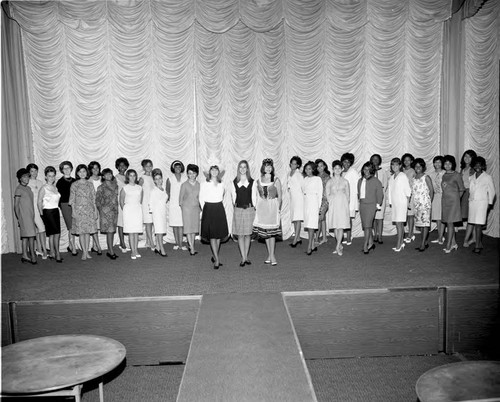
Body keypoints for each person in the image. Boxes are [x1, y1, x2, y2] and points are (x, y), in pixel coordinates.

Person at [253, 158, 282, 265]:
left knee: (272, 233)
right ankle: (270, 255)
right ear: (263, 167)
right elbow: (257, 196)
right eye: (266, 166)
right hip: (262, 208)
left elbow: (280, 196)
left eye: (270, 166)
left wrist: (278, 209)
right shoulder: (259, 180)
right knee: (266, 233)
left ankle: (272, 256)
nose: (268, 168)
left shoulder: (276, 180)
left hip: (272, 207)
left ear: (272, 167)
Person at [464, 156, 496, 253]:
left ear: (483, 166)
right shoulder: (471, 177)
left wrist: (489, 204)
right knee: (473, 223)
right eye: (476, 165)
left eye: (480, 165)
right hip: (473, 203)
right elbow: (471, 191)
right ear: (473, 166)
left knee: (478, 225)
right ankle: (479, 243)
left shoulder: (487, 177)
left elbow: (492, 192)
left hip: (482, 203)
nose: (477, 166)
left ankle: (478, 245)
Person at [200, 165, 228, 269]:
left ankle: (215, 255)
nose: (214, 171)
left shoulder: (222, 184)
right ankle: (217, 259)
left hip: (219, 208)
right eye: (212, 170)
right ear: (209, 172)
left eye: (216, 170)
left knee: (219, 234)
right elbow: (201, 197)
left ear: (218, 172)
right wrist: (205, 209)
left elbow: (222, 196)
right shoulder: (204, 184)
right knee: (212, 235)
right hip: (209, 208)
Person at [69, 164, 98, 261]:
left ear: (87, 172)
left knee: (88, 232)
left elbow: (93, 198)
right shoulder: (74, 185)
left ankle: (87, 251)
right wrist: (73, 211)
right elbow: (72, 200)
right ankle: (84, 252)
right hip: (79, 210)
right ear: (77, 173)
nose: (82, 173)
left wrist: (95, 211)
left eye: (84, 171)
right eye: (80, 171)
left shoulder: (90, 184)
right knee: (81, 232)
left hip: (89, 210)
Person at [231, 160, 256, 266]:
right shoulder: (234, 182)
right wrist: (237, 208)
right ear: (238, 169)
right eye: (240, 167)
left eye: (244, 167)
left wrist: (255, 210)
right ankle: (243, 257)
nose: (242, 169)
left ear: (247, 169)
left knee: (248, 235)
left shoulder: (252, 181)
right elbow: (233, 198)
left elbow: (254, 198)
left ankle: (246, 256)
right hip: (239, 210)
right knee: (240, 235)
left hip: (249, 210)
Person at [37, 166, 62, 262]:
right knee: (54, 233)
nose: (51, 178)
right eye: (49, 176)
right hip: (48, 212)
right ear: (46, 177)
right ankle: (56, 253)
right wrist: (42, 214)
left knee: (55, 234)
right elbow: (39, 201)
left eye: (53, 176)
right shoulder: (44, 188)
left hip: (55, 211)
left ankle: (53, 252)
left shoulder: (55, 187)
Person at [441, 155, 465, 253]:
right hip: (445, 201)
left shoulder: (456, 175)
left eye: (449, 163)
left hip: (453, 202)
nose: (447, 165)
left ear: (453, 164)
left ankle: (448, 245)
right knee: (448, 222)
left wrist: (456, 200)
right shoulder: (444, 175)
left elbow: (462, 189)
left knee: (450, 223)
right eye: (445, 163)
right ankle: (454, 243)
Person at [358, 161, 383, 254]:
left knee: (368, 226)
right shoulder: (360, 181)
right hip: (362, 205)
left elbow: (380, 194)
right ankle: (371, 243)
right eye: (365, 169)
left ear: (372, 170)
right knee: (365, 226)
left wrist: (378, 204)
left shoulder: (376, 181)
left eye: (369, 169)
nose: (366, 171)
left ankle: (365, 245)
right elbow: (359, 193)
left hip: (371, 205)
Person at [326, 160, 350, 256]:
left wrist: (344, 203)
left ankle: (338, 246)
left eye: (339, 168)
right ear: (332, 169)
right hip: (333, 206)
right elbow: (327, 194)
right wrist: (332, 200)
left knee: (340, 227)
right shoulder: (329, 181)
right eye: (335, 168)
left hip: (342, 206)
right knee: (335, 226)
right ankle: (339, 245)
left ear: (342, 169)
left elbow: (348, 195)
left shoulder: (345, 181)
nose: (337, 170)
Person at [388, 158, 411, 252]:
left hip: (401, 203)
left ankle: (399, 243)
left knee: (399, 223)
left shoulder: (403, 176)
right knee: (398, 224)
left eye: (396, 165)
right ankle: (401, 242)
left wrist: (407, 203)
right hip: (395, 203)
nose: (394, 167)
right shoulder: (392, 177)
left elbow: (408, 191)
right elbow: (390, 191)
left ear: (400, 166)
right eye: (393, 165)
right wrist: (390, 202)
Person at [14, 168, 37, 264]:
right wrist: (19, 217)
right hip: (24, 216)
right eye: (24, 177)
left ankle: (24, 255)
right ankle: (32, 256)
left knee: (25, 237)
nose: (27, 178)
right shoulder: (19, 189)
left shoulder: (28, 188)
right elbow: (16, 205)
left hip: (30, 215)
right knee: (31, 235)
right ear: (20, 178)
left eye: (27, 176)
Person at [95, 168, 119, 260]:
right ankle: (110, 251)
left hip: (114, 211)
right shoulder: (101, 187)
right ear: (103, 176)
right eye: (106, 174)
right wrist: (102, 210)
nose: (109, 176)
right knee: (110, 231)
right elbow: (97, 201)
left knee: (112, 231)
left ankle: (110, 249)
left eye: (110, 174)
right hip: (106, 212)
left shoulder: (115, 185)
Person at [120, 169, 143, 259]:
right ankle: (132, 251)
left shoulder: (140, 188)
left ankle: (136, 250)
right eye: (130, 175)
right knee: (131, 232)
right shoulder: (125, 188)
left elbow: (140, 200)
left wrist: (137, 208)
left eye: (134, 175)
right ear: (127, 177)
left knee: (136, 232)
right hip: (128, 211)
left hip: (137, 210)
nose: (132, 177)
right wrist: (126, 210)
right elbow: (121, 201)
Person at [412, 158, 434, 251]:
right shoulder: (414, 178)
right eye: (416, 166)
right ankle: (424, 242)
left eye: (420, 166)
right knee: (420, 225)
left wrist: (428, 203)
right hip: (417, 205)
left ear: (423, 167)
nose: (418, 168)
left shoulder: (426, 177)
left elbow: (432, 191)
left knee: (425, 224)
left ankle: (422, 244)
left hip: (425, 205)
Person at [302, 161, 323, 255]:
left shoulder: (317, 179)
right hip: (306, 203)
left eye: (309, 169)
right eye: (306, 169)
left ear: (313, 169)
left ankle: (310, 245)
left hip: (314, 203)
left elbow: (320, 193)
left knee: (311, 226)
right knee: (309, 224)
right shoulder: (305, 179)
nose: (307, 170)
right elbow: (303, 191)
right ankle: (313, 246)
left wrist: (318, 207)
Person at [56, 161, 77, 256]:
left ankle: (70, 245)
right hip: (65, 205)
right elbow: (58, 197)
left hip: (75, 205)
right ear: (62, 170)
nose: (67, 170)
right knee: (70, 226)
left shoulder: (75, 181)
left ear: (71, 169)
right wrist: (62, 206)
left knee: (74, 226)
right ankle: (72, 246)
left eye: (68, 168)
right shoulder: (60, 182)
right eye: (64, 168)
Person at [27, 163, 47, 259]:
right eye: (32, 171)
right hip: (32, 208)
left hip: (41, 207)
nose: (34, 173)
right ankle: (44, 251)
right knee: (42, 229)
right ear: (29, 172)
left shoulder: (40, 182)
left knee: (40, 230)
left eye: (35, 171)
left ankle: (39, 249)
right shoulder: (27, 182)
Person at [179, 164, 201, 256]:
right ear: (187, 174)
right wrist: (184, 207)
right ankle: (191, 247)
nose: (191, 175)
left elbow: (201, 197)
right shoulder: (184, 185)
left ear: (196, 174)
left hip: (196, 209)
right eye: (189, 173)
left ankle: (191, 245)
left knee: (193, 229)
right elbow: (180, 199)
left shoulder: (199, 184)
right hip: (187, 209)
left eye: (193, 173)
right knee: (188, 228)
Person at [166, 160, 187, 251]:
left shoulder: (185, 178)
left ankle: (181, 244)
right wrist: (171, 201)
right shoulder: (169, 179)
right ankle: (177, 243)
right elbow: (167, 191)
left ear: (181, 168)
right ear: (173, 168)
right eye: (176, 167)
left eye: (179, 167)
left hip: (183, 204)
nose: (177, 168)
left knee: (181, 224)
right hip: (173, 204)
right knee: (175, 225)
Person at [149, 168, 169, 257]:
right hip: (157, 213)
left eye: (160, 178)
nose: (158, 180)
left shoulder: (163, 189)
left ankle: (157, 247)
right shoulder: (153, 191)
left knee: (161, 230)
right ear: (154, 181)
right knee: (159, 231)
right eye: (156, 179)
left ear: (162, 179)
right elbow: (151, 203)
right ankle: (162, 249)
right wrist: (153, 213)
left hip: (163, 212)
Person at [341, 153, 358, 245]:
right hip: (341, 199)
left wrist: (354, 199)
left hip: (350, 199)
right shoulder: (341, 172)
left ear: (350, 162)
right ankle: (343, 236)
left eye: (348, 162)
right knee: (343, 218)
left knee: (348, 219)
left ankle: (349, 237)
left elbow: (356, 186)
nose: (346, 163)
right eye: (344, 161)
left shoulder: (353, 172)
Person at [370, 154, 388, 244]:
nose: (375, 160)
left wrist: (380, 194)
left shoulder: (383, 171)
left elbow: (385, 184)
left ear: (379, 160)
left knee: (380, 217)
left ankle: (380, 235)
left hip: (380, 196)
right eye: (373, 159)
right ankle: (375, 235)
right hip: (372, 196)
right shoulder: (369, 171)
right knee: (373, 217)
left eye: (377, 159)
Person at [287, 156, 304, 247]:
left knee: (297, 219)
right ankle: (298, 238)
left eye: (295, 164)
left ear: (298, 165)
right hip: (292, 198)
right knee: (294, 219)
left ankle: (295, 240)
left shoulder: (299, 175)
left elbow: (303, 187)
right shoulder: (289, 173)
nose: (293, 165)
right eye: (291, 163)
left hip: (298, 198)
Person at [139, 159, 155, 250]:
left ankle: (148, 242)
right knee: (148, 223)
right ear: (143, 167)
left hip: (153, 203)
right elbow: (138, 190)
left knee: (152, 223)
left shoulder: (153, 177)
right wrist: (140, 203)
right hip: (145, 203)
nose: (149, 167)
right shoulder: (142, 178)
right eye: (146, 166)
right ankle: (151, 242)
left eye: (150, 165)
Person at [429, 156, 445, 244]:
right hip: (435, 197)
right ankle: (440, 236)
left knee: (442, 218)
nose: (437, 164)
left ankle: (441, 237)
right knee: (438, 218)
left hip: (444, 197)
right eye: (435, 162)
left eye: (439, 162)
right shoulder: (431, 174)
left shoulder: (445, 173)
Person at [115, 157, 130, 252]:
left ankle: (127, 241)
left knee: (127, 222)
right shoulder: (115, 178)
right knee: (120, 223)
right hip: (120, 202)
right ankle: (122, 243)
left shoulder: (128, 177)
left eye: (124, 165)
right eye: (120, 165)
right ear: (117, 167)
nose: (122, 167)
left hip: (128, 202)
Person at [88, 161, 103, 255]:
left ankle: (94, 246)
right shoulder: (89, 180)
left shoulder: (102, 178)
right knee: (94, 225)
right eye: (93, 168)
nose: (95, 170)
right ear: (90, 170)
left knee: (98, 227)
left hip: (102, 205)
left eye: (97, 168)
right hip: (93, 205)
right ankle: (98, 246)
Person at [315, 159, 331, 246]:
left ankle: (316, 239)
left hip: (325, 200)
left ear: (324, 166)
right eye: (318, 166)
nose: (320, 168)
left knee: (320, 218)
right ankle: (324, 237)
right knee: (323, 219)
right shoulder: (316, 176)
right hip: (317, 200)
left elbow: (328, 190)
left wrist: (325, 200)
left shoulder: (327, 177)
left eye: (321, 166)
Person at [460, 149, 477, 224]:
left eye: (470, 157)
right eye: (465, 156)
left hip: (469, 192)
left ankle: (474, 235)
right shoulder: (462, 169)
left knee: (471, 215)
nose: (467, 158)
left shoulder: (473, 169)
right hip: (463, 192)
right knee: (467, 215)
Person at [402, 153, 416, 243]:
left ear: (411, 161)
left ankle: (411, 234)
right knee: (404, 215)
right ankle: (405, 233)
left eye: (408, 160)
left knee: (410, 216)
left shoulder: (413, 171)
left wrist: (410, 196)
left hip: (411, 195)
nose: (406, 162)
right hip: (402, 196)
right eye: (405, 160)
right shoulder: (402, 171)